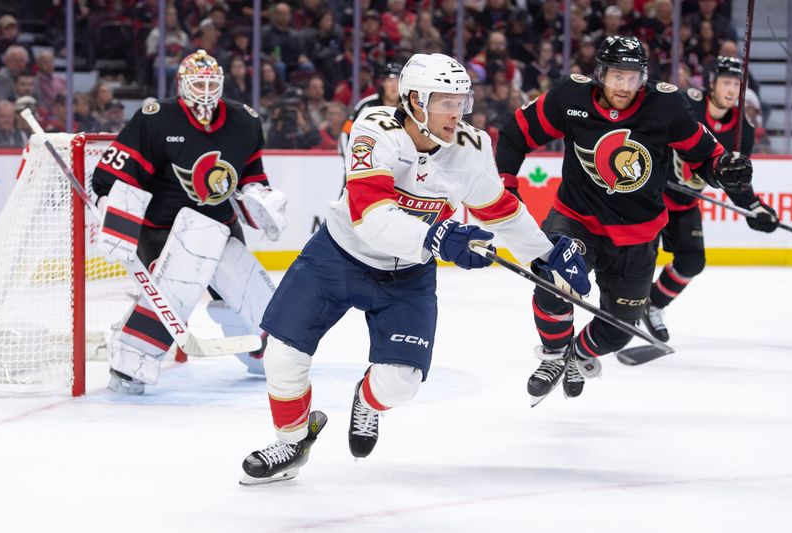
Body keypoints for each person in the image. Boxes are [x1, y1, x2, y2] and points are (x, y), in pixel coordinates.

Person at [239, 53, 590, 484]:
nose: (456, 112)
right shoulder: (374, 129)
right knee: (283, 355)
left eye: (461, 101)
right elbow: (372, 216)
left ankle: (366, 403)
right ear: (413, 101)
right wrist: (436, 236)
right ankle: (292, 442)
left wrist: (544, 255)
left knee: (400, 382)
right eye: (443, 101)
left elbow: (499, 211)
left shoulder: (472, 147)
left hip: (407, 275)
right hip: (337, 256)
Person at [496, 36, 757, 403]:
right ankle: (554, 355)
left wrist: (725, 169)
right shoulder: (570, 97)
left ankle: (578, 355)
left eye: (632, 77)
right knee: (552, 284)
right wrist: (507, 186)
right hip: (575, 220)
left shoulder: (665, 105)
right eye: (617, 76)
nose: (624, 86)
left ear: (644, 78)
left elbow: (705, 155)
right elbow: (515, 135)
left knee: (618, 331)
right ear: (600, 74)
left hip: (638, 237)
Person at [91, 50, 288, 394]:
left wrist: (260, 198)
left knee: (247, 290)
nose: (206, 90)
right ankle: (130, 365)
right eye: (198, 82)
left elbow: (251, 176)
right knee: (171, 293)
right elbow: (115, 175)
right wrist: (110, 207)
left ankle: (264, 354)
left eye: (212, 83)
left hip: (221, 224)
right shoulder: (156, 118)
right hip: (162, 230)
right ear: (182, 84)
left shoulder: (244, 120)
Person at [643, 56, 779, 341]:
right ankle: (621, 313)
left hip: (684, 203)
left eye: (736, 84)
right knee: (640, 260)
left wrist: (755, 208)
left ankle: (653, 304)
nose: (731, 90)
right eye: (726, 82)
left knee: (692, 262)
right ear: (711, 83)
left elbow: (736, 180)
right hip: (650, 198)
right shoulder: (687, 104)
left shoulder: (744, 130)